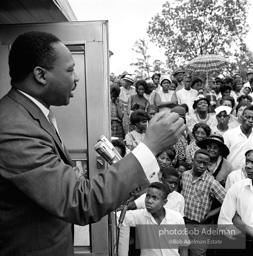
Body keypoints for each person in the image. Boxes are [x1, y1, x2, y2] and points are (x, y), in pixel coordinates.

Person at [0, 31, 186, 255]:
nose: (76, 78)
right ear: (41, 75)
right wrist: (151, 146)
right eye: (70, 70)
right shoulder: (14, 128)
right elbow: (77, 201)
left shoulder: (33, 116)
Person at [121, 182, 189, 256]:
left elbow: (183, 245)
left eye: (154, 198)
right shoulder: (139, 215)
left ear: (164, 202)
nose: (149, 201)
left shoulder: (176, 217)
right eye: (148, 196)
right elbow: (121, 217)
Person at [181, 149, 226, 256]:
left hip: (199, 227)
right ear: (193, 161)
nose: (201, 166)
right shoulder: (185, 175)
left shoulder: (211, 182)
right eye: (199, 162)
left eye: (205, 164)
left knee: (197, 253)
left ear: (208, 165)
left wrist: (212, 213)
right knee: (182, 251)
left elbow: (228, 201)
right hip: (182, 223)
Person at [218, 149, 253, 256]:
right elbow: (224, 223)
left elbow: (236, 222)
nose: (248, 166)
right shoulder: (237, 188)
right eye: (247, 161)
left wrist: (243, 226)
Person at [223, 105, 253, 170]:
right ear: (242, 116)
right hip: (231, 174)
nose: (250, 120)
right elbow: (222, 156)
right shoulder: (229, 134)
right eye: (247, 117)